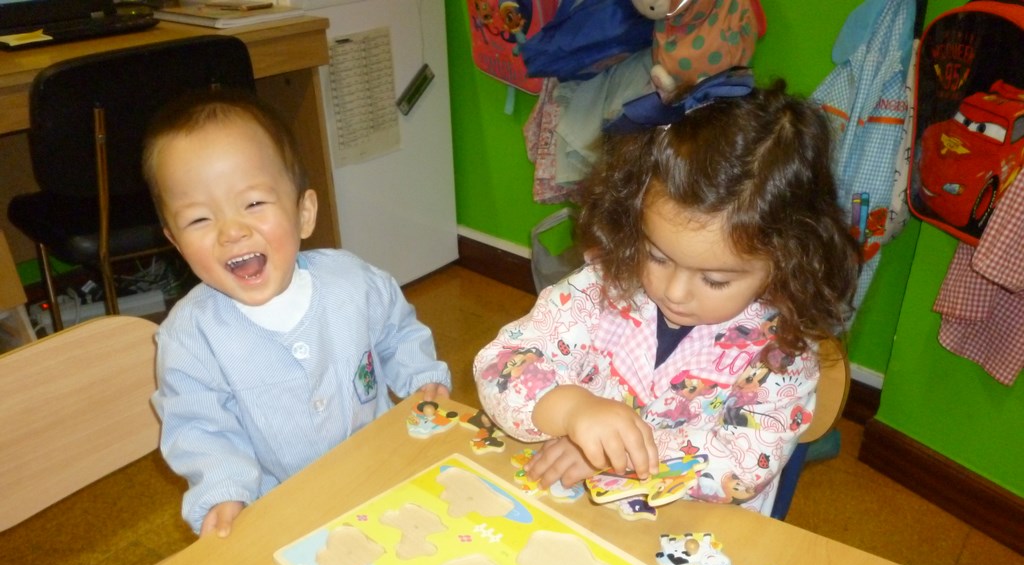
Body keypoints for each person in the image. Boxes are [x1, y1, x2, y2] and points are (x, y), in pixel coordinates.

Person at [473, 78, 859, 515]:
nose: (674, 292)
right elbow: (501, 364)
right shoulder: (598, 287)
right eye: (656, 256)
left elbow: (745, 463)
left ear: (787, 259)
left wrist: (613, 454)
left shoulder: (782, 351)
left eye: (714, 280)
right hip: (577, 511)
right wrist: (571, 409)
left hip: (694, 531)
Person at [142, 90, 451, 537]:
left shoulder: (353, 282)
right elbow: (201, 428)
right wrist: (225, 492)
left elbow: (398, 332)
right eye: (199, 220)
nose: (231, 231)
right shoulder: (190, 337)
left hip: (382, 473)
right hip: (281, 510)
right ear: (175, 241)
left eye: (253, 203)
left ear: (304, 213)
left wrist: (421, 375)